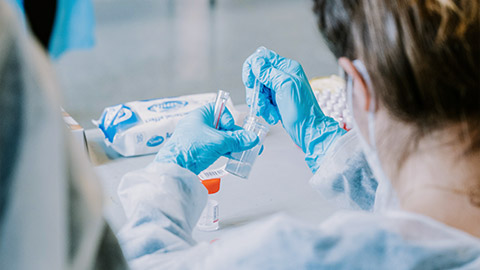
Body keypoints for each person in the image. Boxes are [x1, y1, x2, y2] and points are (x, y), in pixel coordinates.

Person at [1, 1, 479, 270]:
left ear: (357, 87)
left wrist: (169, 174)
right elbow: (430, 225)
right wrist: (326, 144)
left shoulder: (287, 258)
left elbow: (138, 265)